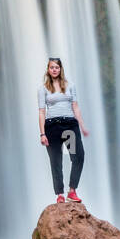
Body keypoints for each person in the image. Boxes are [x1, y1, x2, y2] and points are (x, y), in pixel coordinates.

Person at [37, 57, 89, 204]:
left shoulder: (70, 85)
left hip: (69, 126)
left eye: (57, 67)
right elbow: (41, 112)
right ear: (48, 69)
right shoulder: (43, 89)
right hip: (52, 127)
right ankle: (59, 194)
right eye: (52, 67)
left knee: (78, 156)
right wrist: (42, 133)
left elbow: (75, 107)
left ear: (60, 69)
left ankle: (72, 191)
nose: (54, 69)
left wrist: (82, 126)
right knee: (56, 161)